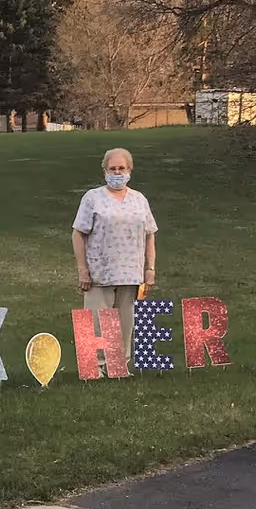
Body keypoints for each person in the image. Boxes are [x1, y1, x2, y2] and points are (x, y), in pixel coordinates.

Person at [72, 147, 158, 371]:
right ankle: (96, 367)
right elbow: (78, 233)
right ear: (104, 171)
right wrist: (83, 269)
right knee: (97, 321)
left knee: (125, 322)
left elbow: (150, 234)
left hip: (130, 272)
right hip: (100, 272)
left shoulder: (139, 199)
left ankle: (120, 365)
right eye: (113, 168)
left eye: (122, 168)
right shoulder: (92, 198)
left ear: (130, 170)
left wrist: (150, 269)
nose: (117, 173)